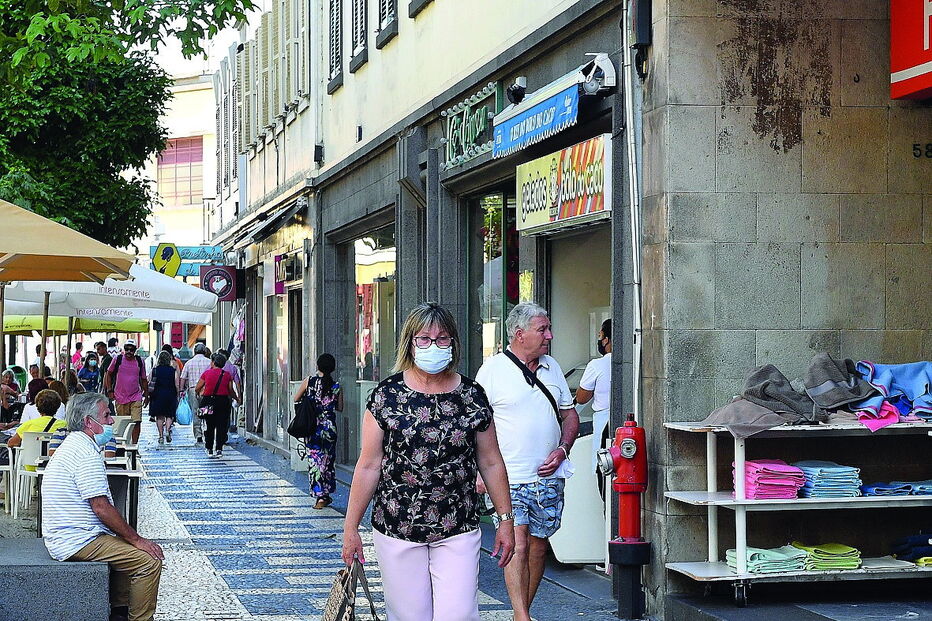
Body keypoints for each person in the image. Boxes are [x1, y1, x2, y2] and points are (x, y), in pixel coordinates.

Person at [342, 302, 515, 621]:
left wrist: (505, 521)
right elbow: (369, 465)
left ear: (453, 343)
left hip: (458, 524)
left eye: (442, 338)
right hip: (398, 527)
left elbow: (491, 462)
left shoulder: (472, 396)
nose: (433, 346)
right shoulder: (386, 396)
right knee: (409, 616)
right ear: (410, 343)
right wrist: (351, 527)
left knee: (459, 614)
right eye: (424, 338)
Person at [475, 302, 580, 621]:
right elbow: (475, 425)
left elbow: (570, 415)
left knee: (537, 547)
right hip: (507, 478)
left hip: (548, 478)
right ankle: (521, 616)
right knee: (517, 544)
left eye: (549, 329)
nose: (549, 335)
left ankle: (523, 611)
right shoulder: (492, 371)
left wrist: (563, 448)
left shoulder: (553, 368)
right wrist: (479, 471)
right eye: (542, 329)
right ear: (519, 334)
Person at [41, 392, 164, 621]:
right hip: (75, 540)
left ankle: (119, 612)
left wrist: (130, 538)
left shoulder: (75, 445)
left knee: (127, 547)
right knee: (148, 561)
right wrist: (137, 539)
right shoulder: (85, 453)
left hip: (71, 535)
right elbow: (100, 507)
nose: (111, 421)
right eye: (106, 415)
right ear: (89, 422)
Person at [294, 353, 343, 509]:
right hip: (329, 428)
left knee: (315, 462)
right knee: (327, 462)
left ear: (318, 365)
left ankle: (319, 496)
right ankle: (326, 494)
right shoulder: (336, 386)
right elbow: (340, 408)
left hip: (312, 427)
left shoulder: (309, 381)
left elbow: (296, 398)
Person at [576, 318, 613, 496]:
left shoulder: (596, 365)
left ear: (606, 339)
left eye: (600, 335)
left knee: (604, 473)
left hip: (603, 422)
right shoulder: (635, 361)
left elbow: (581, 398)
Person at [7, 390, 68, 474]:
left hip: (30, 465)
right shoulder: (64, 425)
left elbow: (11, 443)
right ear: (57, 407)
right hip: (53, 466)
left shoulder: (28, 424)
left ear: (37, 407)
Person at [195, 352, 240, 458]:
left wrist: (201, 392)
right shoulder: (227, 375)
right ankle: (219, 449)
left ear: (214, 362)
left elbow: (197, 387)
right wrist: (237, 398)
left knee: (209, 425)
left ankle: (209, 448)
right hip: (223, 402)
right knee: (221, 426)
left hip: (209, 401)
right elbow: (230, 390)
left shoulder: (206, 373)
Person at [105, 339, 147, 444]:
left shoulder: (139, 361)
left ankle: (134, 445)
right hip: (120, 396)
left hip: (135, 396)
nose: (129, 351)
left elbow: (143, 378)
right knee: (123, 421)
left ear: (135, 350)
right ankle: (124, 443)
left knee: (137, 421)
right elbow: (108, 374)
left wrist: (146, 394)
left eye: (131, 349)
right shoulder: (117, 359)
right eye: (127, 349)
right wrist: (109, 390)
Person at [180, 343, 212, 445]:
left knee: (196, 412)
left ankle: (198, 434)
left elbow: (183, 378)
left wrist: (181, 390)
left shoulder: (189, 363)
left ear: (194, 351)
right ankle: (207, 431)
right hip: (206, 390)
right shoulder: (209, 362)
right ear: (204, 351)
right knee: (207, 411)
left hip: (193, 389)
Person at [147, 351, 179, 445]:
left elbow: (149, 381)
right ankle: (167, 430)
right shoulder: (173, 370)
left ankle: (161, 436)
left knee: (159, 416)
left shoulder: (155, 370)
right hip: (170, 394)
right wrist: (177, 394)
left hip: (157, 395)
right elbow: (176, 384)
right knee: (169, 415)